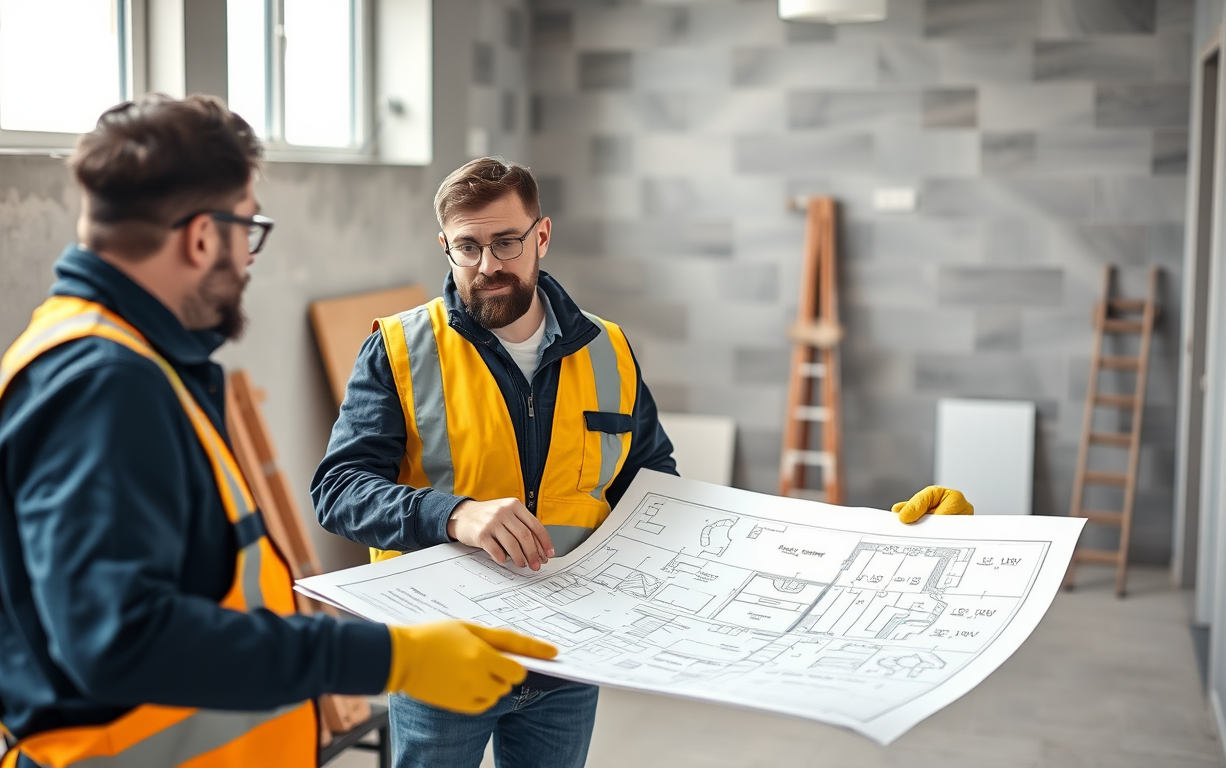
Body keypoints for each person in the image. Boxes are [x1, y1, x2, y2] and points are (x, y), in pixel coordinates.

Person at [311, 157, 975, 768]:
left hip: (567, 661)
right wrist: (455, 514)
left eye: (507, 242)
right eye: (468, 246)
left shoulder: (609, 350)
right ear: (445, 246)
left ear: (542, 236)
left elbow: (655, 493)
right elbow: (338, 491)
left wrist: (875, 544)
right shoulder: (399, 348)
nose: (487, 264)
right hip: (443, 656)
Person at [0, 95, 555, 768]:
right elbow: (116, 639)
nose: (248, 262)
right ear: (199, 238)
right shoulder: (101, 383)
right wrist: (392, 655)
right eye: (248, 231)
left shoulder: (131, 363)